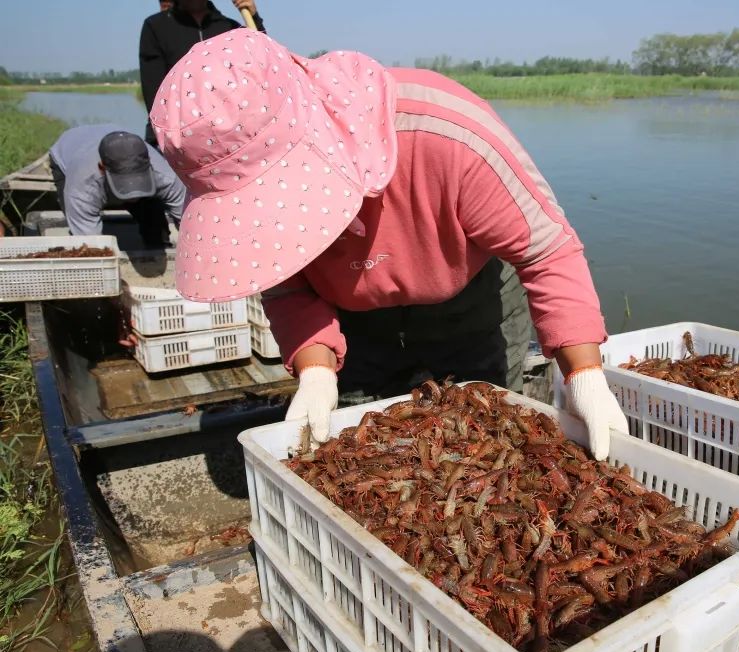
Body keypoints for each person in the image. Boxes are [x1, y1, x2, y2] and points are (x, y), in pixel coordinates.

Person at [149, 31, 629, 461]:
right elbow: (285, 284)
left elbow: (547, 253)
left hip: (471, 299)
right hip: (351, 321)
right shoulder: (245, 199)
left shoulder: (448, 136)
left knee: (492, 435)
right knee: (363, 449)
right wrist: (316, 370)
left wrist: (583, 374)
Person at [139, 0, 266, 146]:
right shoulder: (156, 26)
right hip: (175, 141)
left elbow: (264, 66)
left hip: (229, 140)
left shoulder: (231, 29)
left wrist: (254, 17)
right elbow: (155, 96)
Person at [48, 125, 185, 248]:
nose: (132, 195)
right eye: (124, 183)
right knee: (82, 241)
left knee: (154, 217)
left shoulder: (167, 177)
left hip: (108, 143)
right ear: (102, 168)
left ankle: (155, 247)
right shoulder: (83, 187)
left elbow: (188, 221)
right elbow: (89, 244)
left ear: (149, 163)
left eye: (137, 181)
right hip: (69, 151)